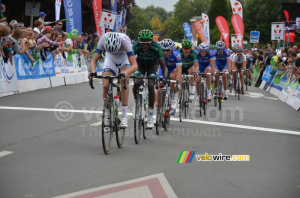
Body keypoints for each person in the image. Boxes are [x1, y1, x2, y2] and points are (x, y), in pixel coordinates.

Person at [89, 32, 138, 129]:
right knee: (105, 84)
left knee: (123, 80)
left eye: (115, 50)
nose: (114, 52)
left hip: (125, 58)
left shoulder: (125, 41)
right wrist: (93, 71)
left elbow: (135, 66)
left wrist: (126, 72)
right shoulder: (102, 40)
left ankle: (124, 115)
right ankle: (107, 115)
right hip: (110, 58)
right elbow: (94, 60)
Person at [132, 29, 167, 128]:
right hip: (140, 64)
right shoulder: (136, 46)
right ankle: (136, 103)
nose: (145, 46)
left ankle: (151, 116)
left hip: (153, 65)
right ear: (139, 42)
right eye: (142, 43)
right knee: (136, 81)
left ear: (151, 42)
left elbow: (163, 66)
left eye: (147, 43)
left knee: (151, 85)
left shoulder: (157, 47)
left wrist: (163, 78)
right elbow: (130, 60)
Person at [157, 38, 182, 115]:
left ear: (171, 49)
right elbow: (156, 67)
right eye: (163, 50)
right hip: (163, 68)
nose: (165, 52)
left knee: (173, 77)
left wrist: (177, 83)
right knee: (159, 88)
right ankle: (158, 110)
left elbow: (179, 70)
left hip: (173, 69)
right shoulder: (159, 53)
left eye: (167, 50)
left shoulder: (177, 55)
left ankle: (174, 96)